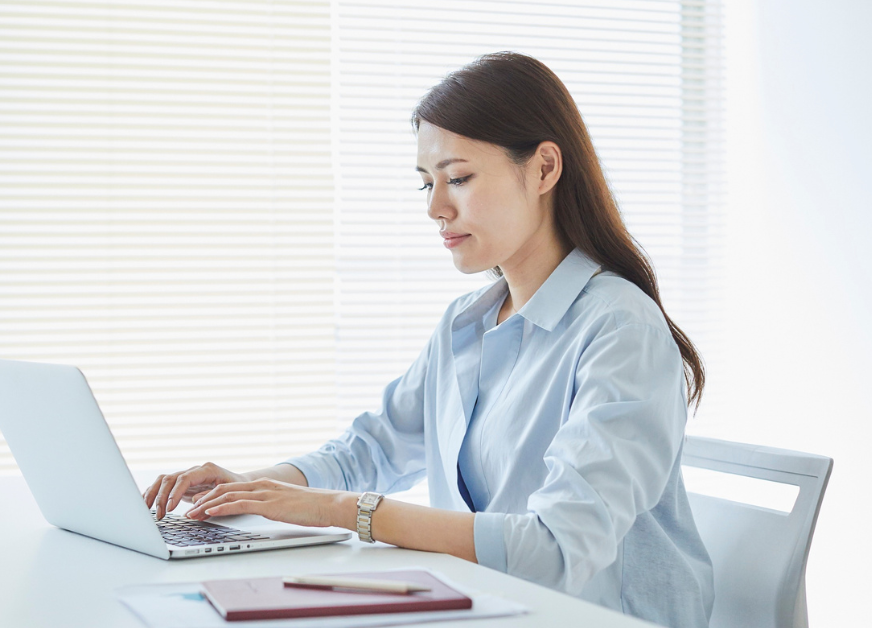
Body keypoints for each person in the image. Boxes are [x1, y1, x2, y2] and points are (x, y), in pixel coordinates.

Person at [143, 52, 714, 628]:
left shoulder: (621, 330)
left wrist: (340, 511)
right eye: (426, 183)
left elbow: (554, 549)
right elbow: (372, 448)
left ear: (544, 169)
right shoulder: (467, 323)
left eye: (458, 178)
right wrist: (250, 487)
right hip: (492, 607)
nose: (436, 208)